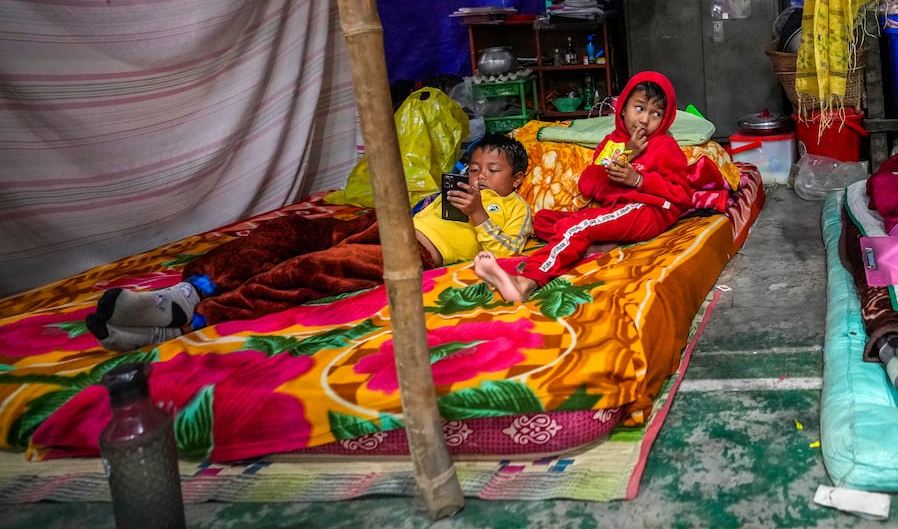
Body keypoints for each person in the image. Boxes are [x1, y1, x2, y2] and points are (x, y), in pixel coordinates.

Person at [88, 134, 533, 350]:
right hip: (387, 225)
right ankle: (185, 293)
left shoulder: (515, 208)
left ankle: (191, 323)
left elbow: (510, 252)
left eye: (491, 171)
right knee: (289, 232)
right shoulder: (454, 188)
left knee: (314, 268)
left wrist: (476, 213)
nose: (478, 177)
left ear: (516, 178)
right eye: (473, 168)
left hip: (417, 252)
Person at [481, 71, 693, 304]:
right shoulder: (612, 143)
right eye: (640, 108)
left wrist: (638, 181)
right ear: (622, 108)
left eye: (656, 113)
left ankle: (527, 281)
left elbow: (682, 196)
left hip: (647, 211)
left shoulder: (665, 146)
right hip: (616, 210)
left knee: (575, 226)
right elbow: (589, 184)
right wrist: (626, 153)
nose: (644, 119)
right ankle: (597, 246)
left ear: (666, 118)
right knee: (543, 220)